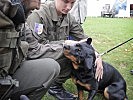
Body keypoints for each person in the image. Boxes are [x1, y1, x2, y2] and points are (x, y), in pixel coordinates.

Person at [26, 0, 103, 99]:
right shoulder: (39, 14)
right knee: (71, 54)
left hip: (53, 52)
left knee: (79, 56)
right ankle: (53, 85)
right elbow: (34, 48)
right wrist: (65, 44)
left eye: (72, 3)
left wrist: (96, 54)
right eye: (66, 1)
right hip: (37, 56)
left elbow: (83, 38)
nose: (69, 7)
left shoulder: (68, 17)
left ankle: (56, 84)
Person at [0, 0, 60, 99]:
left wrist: (67, 46)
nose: (38, 6)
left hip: (7, 76)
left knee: (51, 67)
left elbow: (35, 48)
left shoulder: (20, 20)